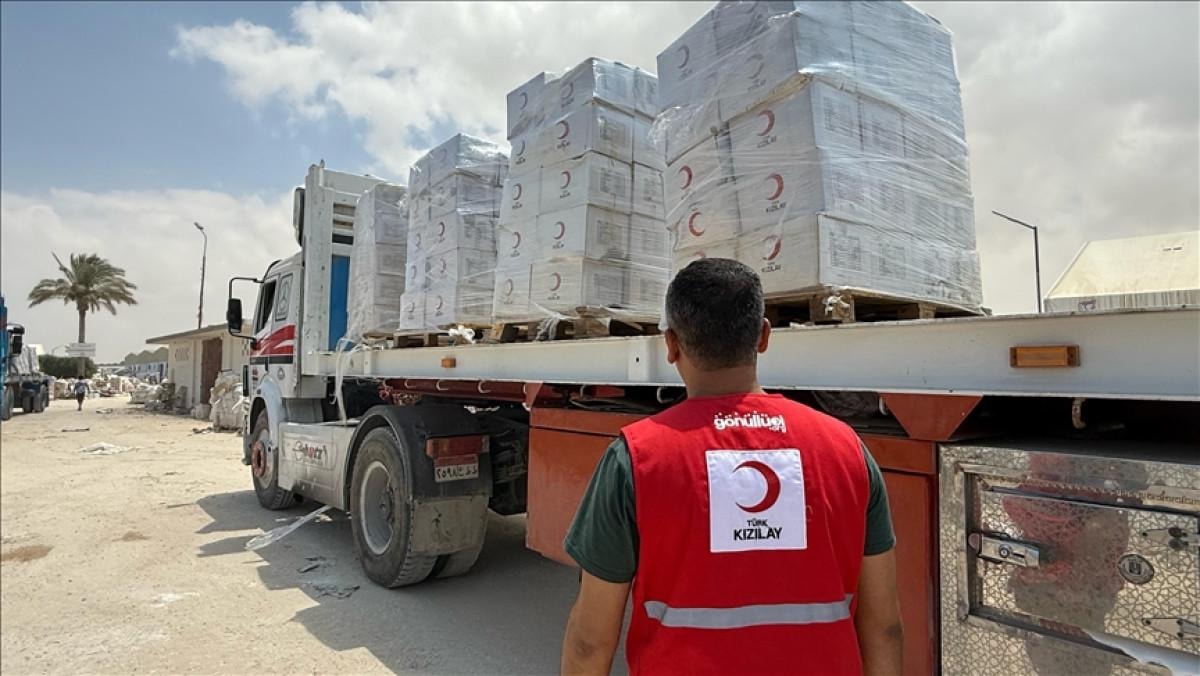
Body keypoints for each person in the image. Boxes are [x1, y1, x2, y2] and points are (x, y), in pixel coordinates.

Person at [560, 259, 903, 676]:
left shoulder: (634, 459)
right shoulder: (847, 450)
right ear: (764, 336)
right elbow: (884, 628)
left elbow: (589, 642)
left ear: (671, 344)